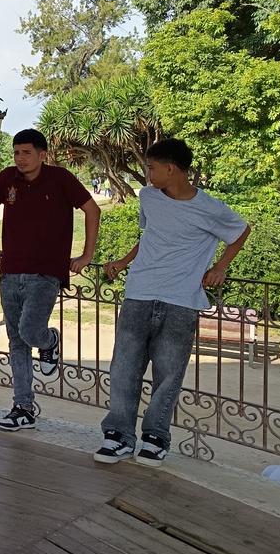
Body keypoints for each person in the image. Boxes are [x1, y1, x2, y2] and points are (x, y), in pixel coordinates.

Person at [95, 138, 249, 466]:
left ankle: (155, 437)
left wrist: (220, 267)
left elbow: (241, 231)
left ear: (170, 169)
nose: (147, 173)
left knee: (168, 373)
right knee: (123, 368)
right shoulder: (149, 197)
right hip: (139, 292)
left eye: (151, 168)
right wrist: (123, 261)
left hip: (181, 300)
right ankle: (119, 435)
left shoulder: (210, 208)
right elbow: (151, 235)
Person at [0, 128, 101, 431]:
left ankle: (49, 341)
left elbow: (92, 209)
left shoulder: (60, 178)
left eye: (27, 152)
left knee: (30, 330)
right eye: (16, 153)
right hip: (10, 271)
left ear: (42, 154)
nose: (20, 158)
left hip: (46, 272)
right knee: (16, 341)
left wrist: (87, 255)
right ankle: (23, 408)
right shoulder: (8, 177)